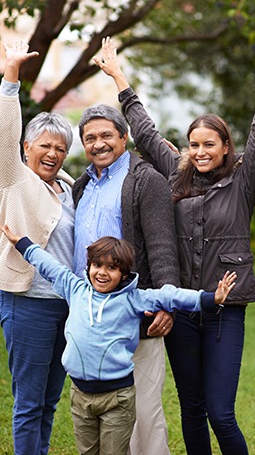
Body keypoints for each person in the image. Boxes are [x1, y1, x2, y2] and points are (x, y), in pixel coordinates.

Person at [93, 36, 254, 455]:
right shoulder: (176, 173)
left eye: (209, 145)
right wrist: (117, 76)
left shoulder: (243, 181)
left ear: (225, 147)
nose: (199, 152)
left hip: (224, 312)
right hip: (183, 308)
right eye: (194, 144)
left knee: (220, 412)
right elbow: (145, 132)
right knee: (192, 409)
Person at [0, 224, 236, 455]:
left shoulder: (133, 299)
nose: (102, 272)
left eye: (111, 268)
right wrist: (21, 243)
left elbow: (169, 296)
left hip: (117, 399)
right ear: (89, 266)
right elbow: (48, 265)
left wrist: (210, 298)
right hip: (80, 396)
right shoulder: (75, 289)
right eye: (96, 265)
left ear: (123, 274)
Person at [72, 84, 180, 455]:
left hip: (137, 314)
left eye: (106, 135)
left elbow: (163, 245)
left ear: (124, 136)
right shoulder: (83, 184)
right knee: (102, 418)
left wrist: (166, 303)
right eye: (90, 138)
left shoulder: (145, 179)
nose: (98, 143)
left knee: (144, 412)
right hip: (93, 319)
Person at [0, 41, 75, 455]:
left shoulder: (67, 188)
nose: (53, 153)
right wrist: (11, 77)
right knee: (29, 402)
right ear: (27, 147)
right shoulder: (13, 177)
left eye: (61, 147)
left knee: (49, 400)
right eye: (45, 144)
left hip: (65, 305)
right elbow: (5, 131)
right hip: (28, 301)